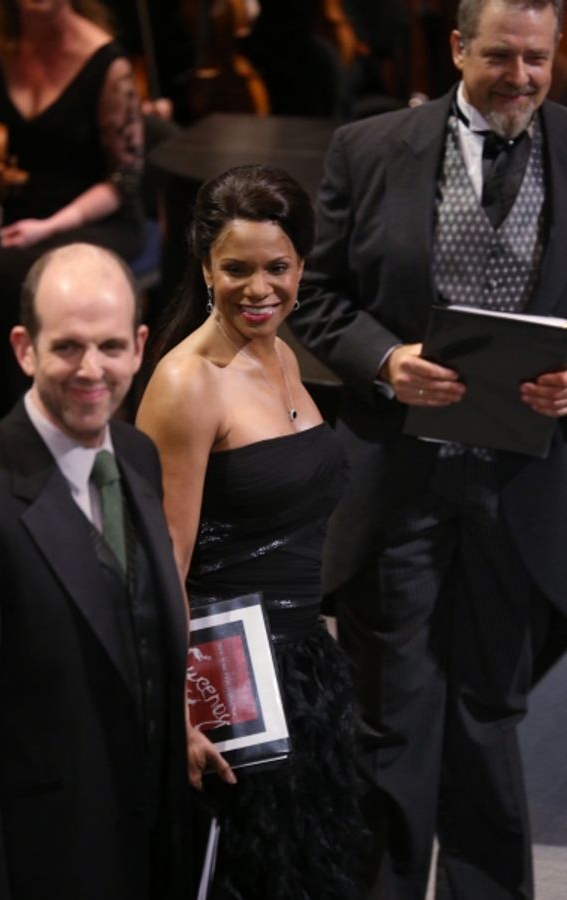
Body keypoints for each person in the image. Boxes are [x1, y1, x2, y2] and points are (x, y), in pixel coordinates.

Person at [289, 0, 567, 897]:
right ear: (457, 48)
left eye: (537, 58)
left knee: (490, 719)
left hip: (524, 493)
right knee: (393, 722)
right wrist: (385, 361)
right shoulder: (367, 151)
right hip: (398, 484)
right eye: (499, 57)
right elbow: (318, 296)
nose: (519, 77)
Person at [135, 163, 371, 900]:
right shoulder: (185, 384)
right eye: (237, 269)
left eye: (278, 267)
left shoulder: (284, 356)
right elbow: (161, 562)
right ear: (205, 267)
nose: (260, 289)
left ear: (303, 265)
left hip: (306, 667)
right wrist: (174, 708)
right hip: (231, 687)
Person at [0, 243, 190, 900]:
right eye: (67, 347)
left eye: (111, 346)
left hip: (150, 844)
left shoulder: (141, 457)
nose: (92, 369)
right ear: (24, 348)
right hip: (49, 862)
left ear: (140, 346)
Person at [0, 0, 145, 439]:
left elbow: (124, 178)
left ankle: (10, 433)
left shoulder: (106, 61)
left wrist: (52, 225)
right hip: (12, 217)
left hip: (93, 217)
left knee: (4, 277)